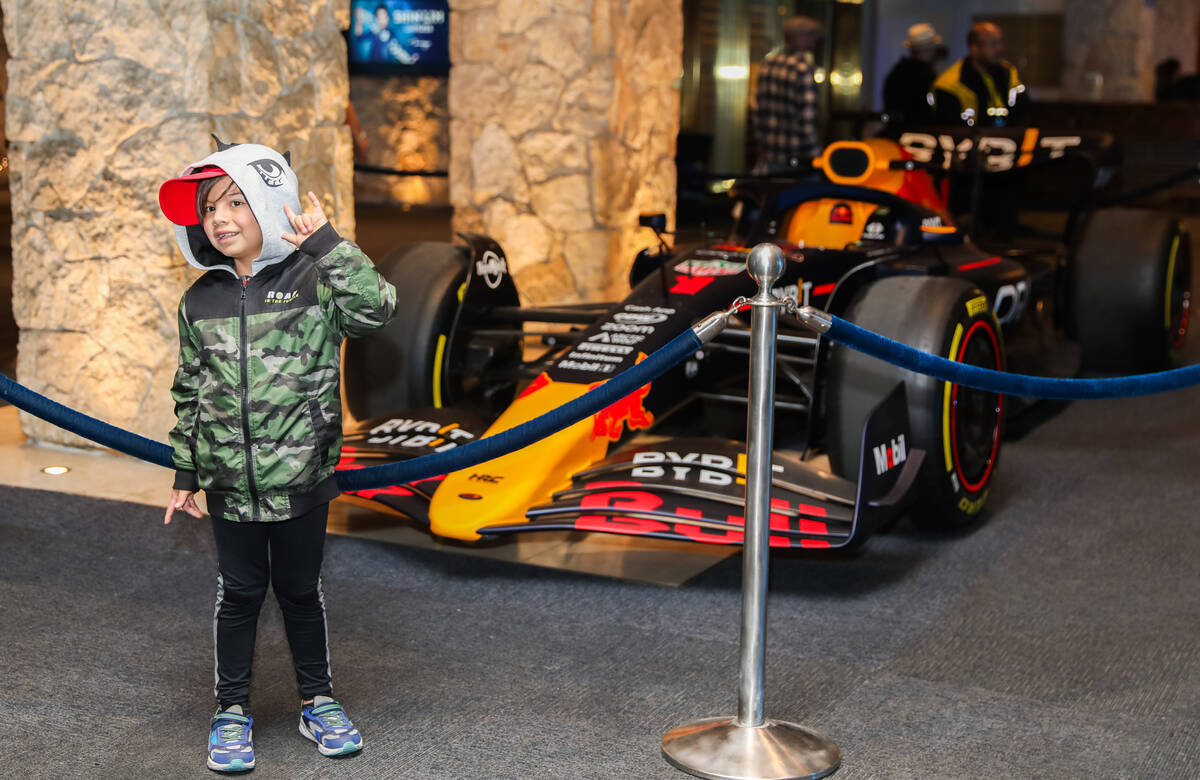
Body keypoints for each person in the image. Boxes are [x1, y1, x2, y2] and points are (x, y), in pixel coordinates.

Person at [158, 139, 397, 772]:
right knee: (238, 594)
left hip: (301, 477)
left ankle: (317, 699)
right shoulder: (199, 299)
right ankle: (230, 711)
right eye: (210, 209)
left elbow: (377, 308)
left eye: (236, 201)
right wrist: (187, 467)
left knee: (298, 591)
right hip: (229, 483)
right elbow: (191, 388)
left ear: (268, 202)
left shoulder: (313, 280)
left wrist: (326, 244)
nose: (221, 218)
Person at [751, 16, 822, 175]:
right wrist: (817, 155)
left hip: (770, 154)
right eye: (812, 34)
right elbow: (807, 118)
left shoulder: (768, 64)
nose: (816, 39)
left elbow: (757, 110)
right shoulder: (802, 68)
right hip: (799, 156)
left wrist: (760, 144)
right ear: (800, 37)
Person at [931, 21, 1029, 126]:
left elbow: (1023, 112)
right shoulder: (949, 84)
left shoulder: (1008, 71)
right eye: (993, 44)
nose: (999, 49)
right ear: (974, 48)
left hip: (1008, 139)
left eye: (1000, 42)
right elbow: (951, 129)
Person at [882, 23, 944, 127]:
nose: (934, 52)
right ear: (928, 48)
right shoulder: (926, 77)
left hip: (897, 132)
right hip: (920, 132)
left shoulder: (896, 73)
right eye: (932, 47)